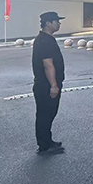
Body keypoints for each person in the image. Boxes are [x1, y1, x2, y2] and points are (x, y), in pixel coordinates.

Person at [32, 12, 66, 155]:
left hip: (44, 85)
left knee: (47, 114)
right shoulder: (45, 41)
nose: (59, 24)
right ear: (48, 23)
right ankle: (45, 146)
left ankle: (47, 141)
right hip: (46, 86)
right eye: (56, 21)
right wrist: (53, 85)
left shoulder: (44, 39)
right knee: (45, 115)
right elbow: (48, 65)